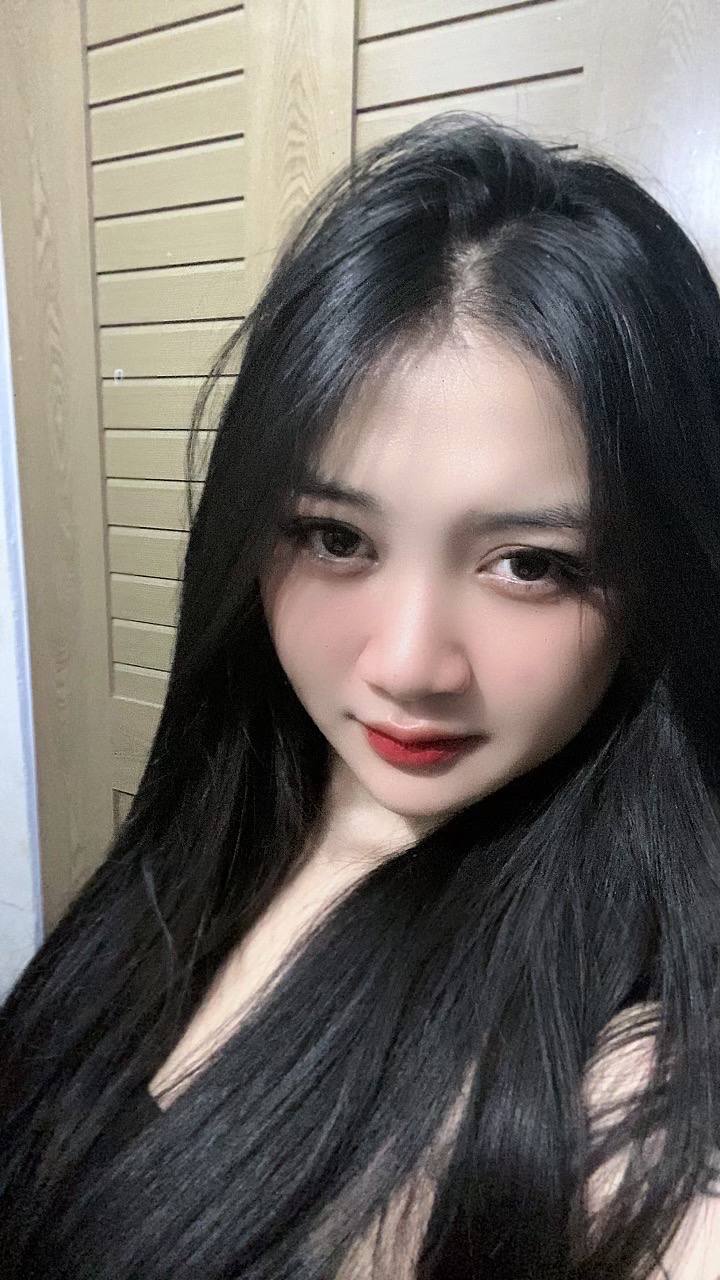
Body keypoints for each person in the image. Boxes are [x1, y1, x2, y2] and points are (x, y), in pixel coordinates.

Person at [2, 111, 720, 1280]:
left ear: (660, 582)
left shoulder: (617, 1077)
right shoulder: (223, 822)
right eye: (337, 536)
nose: (407, 663)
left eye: (530, 563)